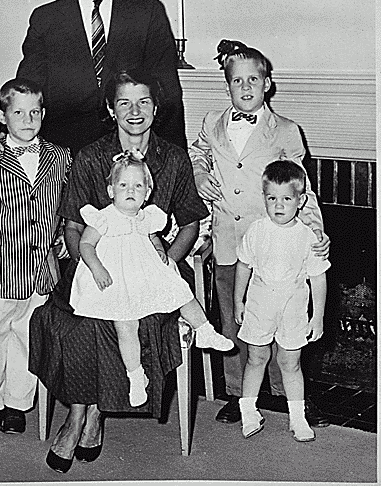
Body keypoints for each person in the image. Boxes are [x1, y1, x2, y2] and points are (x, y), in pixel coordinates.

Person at [28, 68, 209, 473]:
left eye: (143, 101)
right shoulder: (91, 157)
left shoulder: (174, 159)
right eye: (124, 102)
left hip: (152, 277)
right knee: (79, 320)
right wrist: (89, 267)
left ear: (156, 107)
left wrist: (168, 263)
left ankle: (86, 413)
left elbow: (192, 220)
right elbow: (74, 226)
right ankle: (83, 412)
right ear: (111, 109)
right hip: (99, 269)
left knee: (127, 318)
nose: (134, 111)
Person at [188, 39, 331, 428]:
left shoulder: (285, 130)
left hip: (274, 242)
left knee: (284, 317)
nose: (246, 87)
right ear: (228, 86)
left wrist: (314, 230)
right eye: (237, 81)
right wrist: (200, 174)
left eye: (254, 79)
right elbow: (198, 152)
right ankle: (239, 394)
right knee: (236, 319)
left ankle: (288, 395)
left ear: (267, 83)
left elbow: (303, 189)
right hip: (228, 240)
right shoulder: (210, 122)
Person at [0, 0, 186, 157]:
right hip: (64, 156)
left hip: (132, 154)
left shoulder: (147, 12)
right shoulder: (47, 18)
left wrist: (175, 158)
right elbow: (26, 88)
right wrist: (5, 136)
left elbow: (168, 91)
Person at [72, 152, 235, 408]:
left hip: (143, 272)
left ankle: (204, 330)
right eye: (123, 185)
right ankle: (136, 375)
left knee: (179, 290)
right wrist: (97, 268)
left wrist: (159, 249)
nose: (130, 191)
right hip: (115, 277)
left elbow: (152, 236)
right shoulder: (103, 217)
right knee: (126, 324)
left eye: (138, 186)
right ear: (110, 190)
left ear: (147, 192)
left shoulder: (147, 216)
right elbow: (85, 244)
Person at [0, 78, 71, 435]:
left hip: (39, 267)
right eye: (19, 112)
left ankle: (17, 404)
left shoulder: (58, 157)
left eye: (35, 112)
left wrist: (63, 238)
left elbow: (68, 202)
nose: (28, 119)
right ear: (3, 116)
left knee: (27, 336)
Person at [234, 160, 330, 442]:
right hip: (260, 304)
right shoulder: (256, 230)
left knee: (291, 363)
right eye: (272, 198)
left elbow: (318, 278)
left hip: (293, 306)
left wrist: (318, 316)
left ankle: (297, 418)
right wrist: (238, 301)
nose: (278, 205)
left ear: (300, 202)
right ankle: (248, 411)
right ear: (263, 197)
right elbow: (243, 265)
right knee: (256, 358)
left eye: (286, 199)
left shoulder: (307, 236)